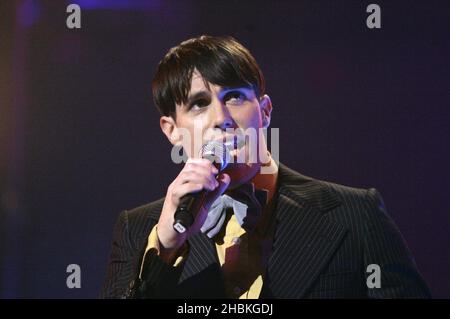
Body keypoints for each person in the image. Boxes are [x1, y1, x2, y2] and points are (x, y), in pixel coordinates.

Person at [100, 35, 430, 299]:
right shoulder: (139, 230)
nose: (221, 119)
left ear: (265, 111)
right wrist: (167, 245)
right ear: (173, 131)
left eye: (234, 97)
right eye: (199, 104)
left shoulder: (356, 213)